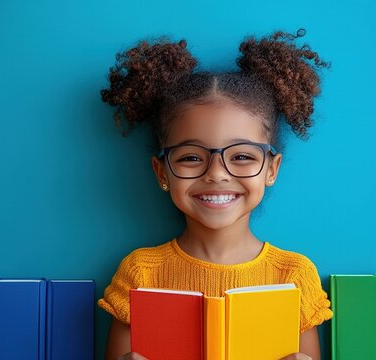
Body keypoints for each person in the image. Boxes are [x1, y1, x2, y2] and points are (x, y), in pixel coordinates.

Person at [98, 28, 334, 360]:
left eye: (242, 156)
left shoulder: (293, 275)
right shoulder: (140, 273)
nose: (217, 173)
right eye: (192, 157)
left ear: (271, 169)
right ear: (161, 172)